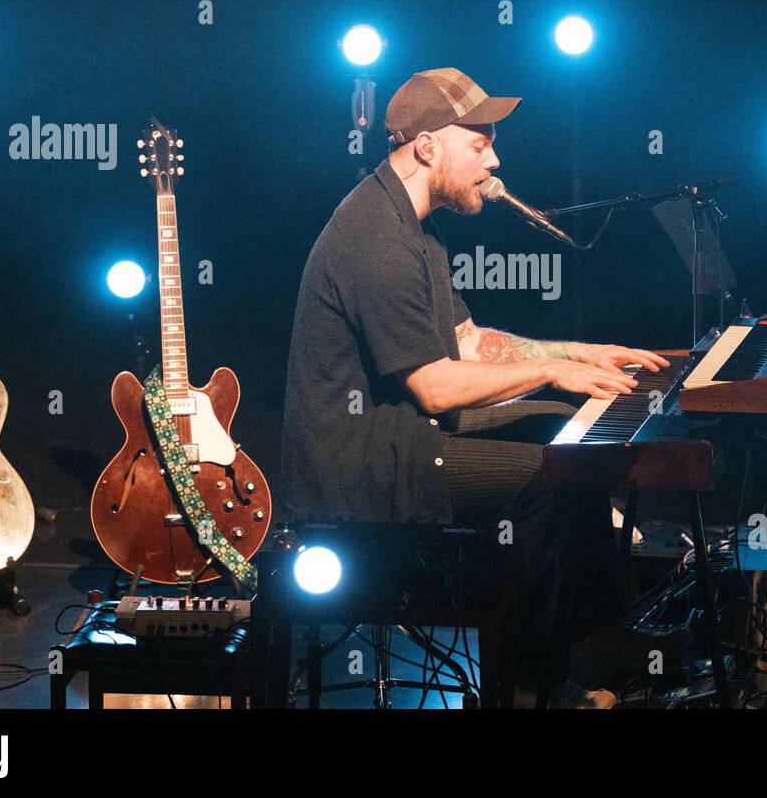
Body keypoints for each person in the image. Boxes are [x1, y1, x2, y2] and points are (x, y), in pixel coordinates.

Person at [282, 67, 667, 699]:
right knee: (547, 476)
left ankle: (595, 642)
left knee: (559, 426)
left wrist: (579, 352)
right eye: (480, 142)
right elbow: (435, 387)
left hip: (399, 436)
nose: (495, 158)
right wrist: (549, 369)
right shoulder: (377, 238)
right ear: (428, 146)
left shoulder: (414, 223)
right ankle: (531, 689)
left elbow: (466, 341)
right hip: (362, 465)